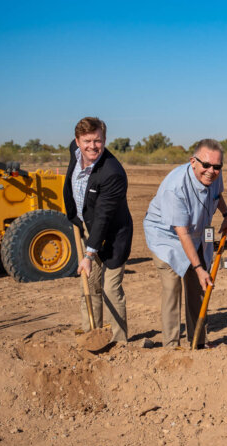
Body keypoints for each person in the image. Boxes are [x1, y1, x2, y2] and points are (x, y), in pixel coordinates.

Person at [143, 139, 227, 348]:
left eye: (217, 166)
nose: (211, 171)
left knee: (199, 287)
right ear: (193, 161)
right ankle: (171, 345)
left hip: (198, 232)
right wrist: (198, 267)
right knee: (172, 286)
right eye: (206, 165)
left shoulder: (214, 176)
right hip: (167, 237)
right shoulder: (175, 188)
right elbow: (181, 234)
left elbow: (216, 195)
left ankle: (198, 341)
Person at [63, 117, 133, 343]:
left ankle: (118, 342)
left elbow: (103, 217)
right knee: (89, 283)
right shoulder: (75, 150)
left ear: (105, 140)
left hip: (113, 237)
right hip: (86, 227)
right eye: (87, 141)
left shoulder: (113, 173)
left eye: (98, 141)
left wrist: (89, 254)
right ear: (77, 141)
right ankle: (90, 335)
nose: (92, 146)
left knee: (110, 289)